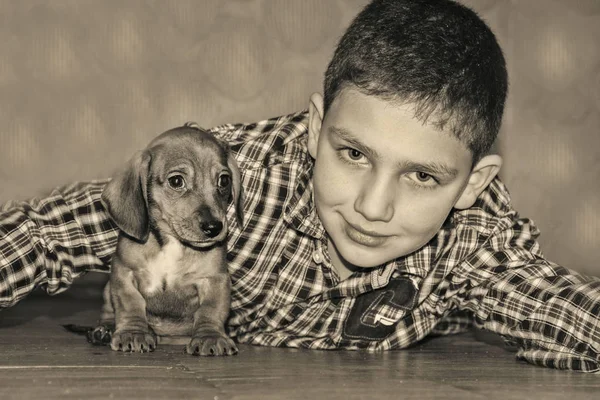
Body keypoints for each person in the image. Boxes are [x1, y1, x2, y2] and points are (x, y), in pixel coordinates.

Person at [1, 0, 599, 372]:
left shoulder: (476, 241)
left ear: (472, 184)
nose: (373, 206)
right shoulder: (236, 173)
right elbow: (46, 233)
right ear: (315, 130)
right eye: (353, 154)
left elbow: (564, 309)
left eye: (423, 176)